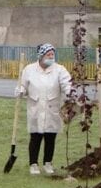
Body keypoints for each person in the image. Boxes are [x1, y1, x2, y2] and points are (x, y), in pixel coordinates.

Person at [15, 43, 73, 175]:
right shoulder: (29, 69)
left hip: (52, 108)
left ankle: (48, 163)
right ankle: (33, 164)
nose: (51, 57)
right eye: (48, 55)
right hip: (35, 108)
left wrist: (71, 93)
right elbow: (23, 85)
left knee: (50, 137)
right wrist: (20, 91)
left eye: (53, 54)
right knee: (35, 136)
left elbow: (66, 83)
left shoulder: (59, 69)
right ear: (41, 56)